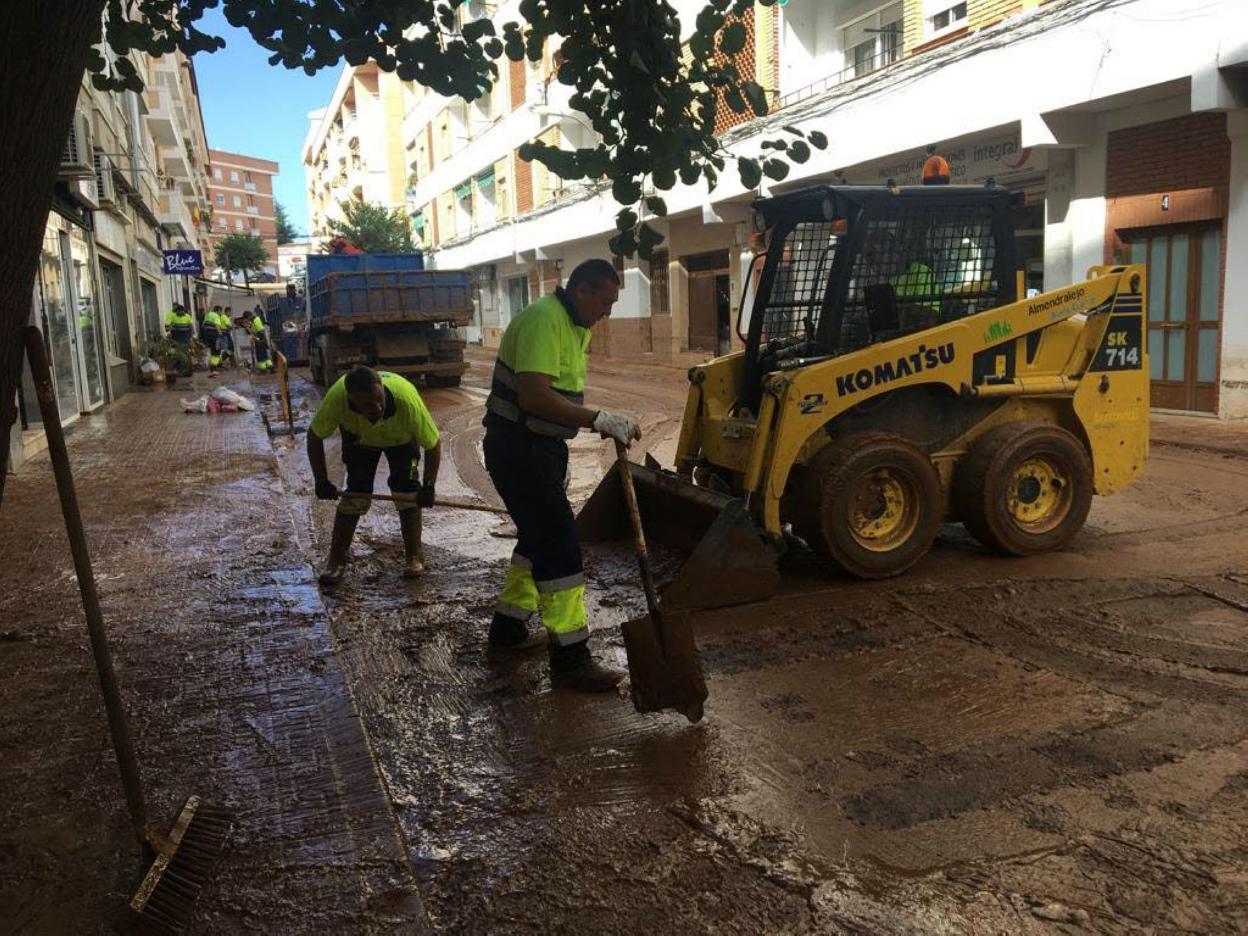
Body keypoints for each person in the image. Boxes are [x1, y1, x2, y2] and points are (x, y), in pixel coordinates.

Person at [482, 258, 640, 693]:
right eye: (605, 301)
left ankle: (508, 629)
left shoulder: (575, 325)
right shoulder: (544, 320)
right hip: (518, 448)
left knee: (537, 539)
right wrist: (598, 418)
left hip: (541, 449)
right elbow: (534, 397)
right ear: (583, 291)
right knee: (560, 547)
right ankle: (571, 659)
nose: (608, 312)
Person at [308, 365, 442, 585]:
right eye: (368, 405)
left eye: (379, 399)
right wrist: (321, 480)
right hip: (360, 439)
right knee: (356, 493)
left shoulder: (405, 399)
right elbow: (315, 436)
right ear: (351, 400)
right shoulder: (337, 399)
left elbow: (433, 443)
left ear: (381, 387)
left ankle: (414, 556)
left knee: (406, 491)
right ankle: (336, 560)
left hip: (401, 440)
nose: (377, 407)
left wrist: (429, 485)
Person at [201, 304, 225, 374]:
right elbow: (217, 325)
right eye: (221, 311)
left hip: (207, 335)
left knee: (212, 350)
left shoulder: (207, 315)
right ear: (218, 311)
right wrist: (220, 335)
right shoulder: (216, 315)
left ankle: (215, 366)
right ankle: (214, 367)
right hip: (214, 335)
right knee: (216, 351)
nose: (221, 313)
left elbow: (203, 325)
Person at [249, 305, 273, 373]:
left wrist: (256, 338)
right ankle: (270, 367)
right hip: (262, 339)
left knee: (260, 355)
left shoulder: (256, 320)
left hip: (260, 339)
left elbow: (260, 330)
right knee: (265, 355)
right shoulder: (257, 319)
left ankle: (263, 369)